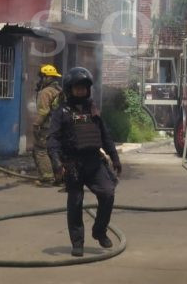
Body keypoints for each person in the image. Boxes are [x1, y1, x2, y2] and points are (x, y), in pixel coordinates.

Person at [48, 66, 122, 258]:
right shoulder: (61, 112)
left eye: (84, 87)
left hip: (94, 162)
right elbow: (53, 139)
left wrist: (115, 157)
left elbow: (105, 135)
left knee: (108, 193)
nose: (81, 91)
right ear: (69, 89)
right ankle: (77, 243)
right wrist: (56, 162)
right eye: (77, 87)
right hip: (72, 165)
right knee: (75, 203)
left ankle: (99, 231)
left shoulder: (93, 109)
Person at [32, 64, 62, 186]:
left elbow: (43, 112)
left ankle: (47, 178)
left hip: (47, 127)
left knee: (41, 150)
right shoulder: (59, 90)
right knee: (54, 151)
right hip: (59, 127)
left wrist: (36, 125)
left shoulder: (45, 92)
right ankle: (59, 177)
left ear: (47, 77)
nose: (40, 80)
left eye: (42, 77)